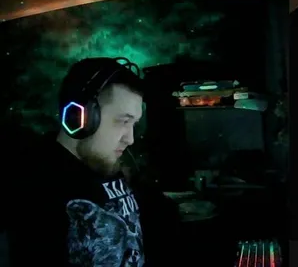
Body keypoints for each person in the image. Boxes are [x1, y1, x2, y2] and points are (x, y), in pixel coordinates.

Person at [8, 57, 179, 267]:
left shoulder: (108, 163)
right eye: (124, 121)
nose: (130, 139)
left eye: (133, 124)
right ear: (79, 116)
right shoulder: (35, 188)